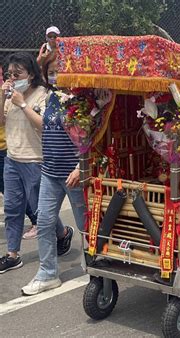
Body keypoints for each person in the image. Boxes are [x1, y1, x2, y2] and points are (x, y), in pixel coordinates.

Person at [21, 57, 85, 295]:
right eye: (51, 72)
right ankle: (48, 273)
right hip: (50, 172)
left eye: (60, 71)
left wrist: (81, 167)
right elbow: (45, 127)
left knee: (85, 224)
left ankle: (95, 265)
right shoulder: (51, 99)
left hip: (74, 174)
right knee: (45, 223)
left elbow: (91, 136)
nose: (55, 76)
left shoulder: (82, 100)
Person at [0, 52, 48, 273]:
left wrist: (22, 105)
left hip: (34, 160)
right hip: (12, 158)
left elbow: (43, 126)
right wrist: (3, 98)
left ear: (30, 74)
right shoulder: (11, 94)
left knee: (40, 210)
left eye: (17, 74)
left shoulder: (42, 95)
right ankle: (13, 254)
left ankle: (62, 234)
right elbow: (1, 121)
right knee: (12, 208)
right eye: (9, 74)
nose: (13, 78)